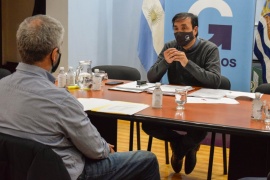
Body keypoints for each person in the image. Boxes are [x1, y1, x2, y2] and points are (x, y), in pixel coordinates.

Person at [0, 15, 160, 180]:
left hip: (17, 172)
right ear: (54, 55)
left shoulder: (2, 87)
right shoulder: (60, 99)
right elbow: (96, 151)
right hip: (64, 173)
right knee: (147, 160)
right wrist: (105, 148)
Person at [142, 12, 221, 175]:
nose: (180, 33)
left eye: (184, 28)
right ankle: (184, 146)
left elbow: (215, 81)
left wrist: (187, 63)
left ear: (195, 30)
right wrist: (165, 62)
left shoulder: (209, 49)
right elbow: (151, 77)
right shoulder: (170, 46)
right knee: (148, 124)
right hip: (173, 104)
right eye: (176, 29)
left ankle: (179, 152)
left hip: (200, 106)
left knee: (199, 130)